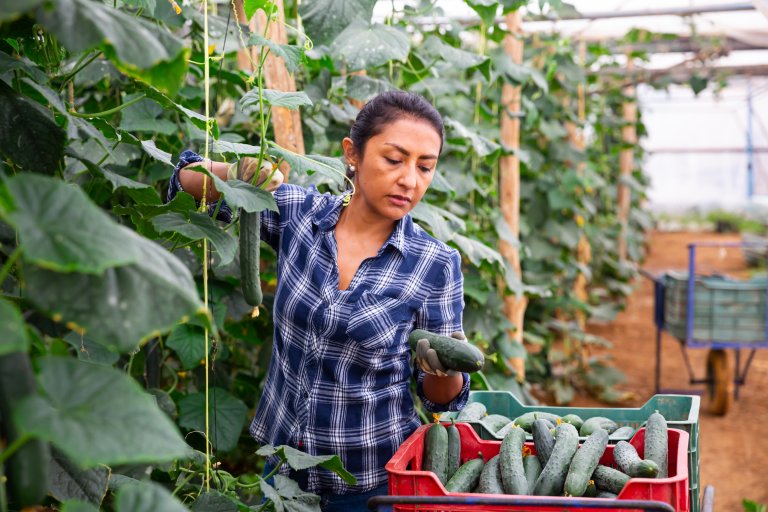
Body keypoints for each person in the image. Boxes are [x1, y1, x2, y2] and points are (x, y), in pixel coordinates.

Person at [168, 90, 470, 511]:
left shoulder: (436, 263)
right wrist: (235, 171)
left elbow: (443, 400)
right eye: (394, 159)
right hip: (282, 467)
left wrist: (440, 369)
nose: (409, 180)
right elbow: (181, 189)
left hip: (371, 482)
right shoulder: (300, 215)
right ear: (353, 154)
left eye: (425, 167)